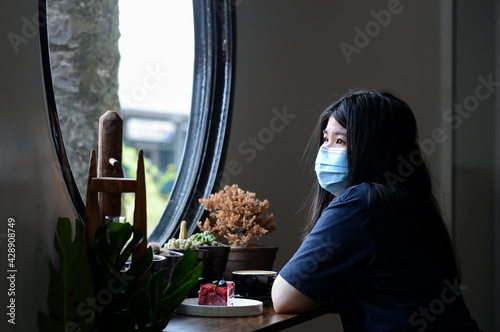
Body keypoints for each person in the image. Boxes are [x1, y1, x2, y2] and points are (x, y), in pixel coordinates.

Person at [271, 90, 482, 331]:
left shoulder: (362, 202)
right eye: (325, 139)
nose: (325, 150)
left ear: (372, 148)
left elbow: (284, 297)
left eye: (340, 140)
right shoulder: (405, 199)